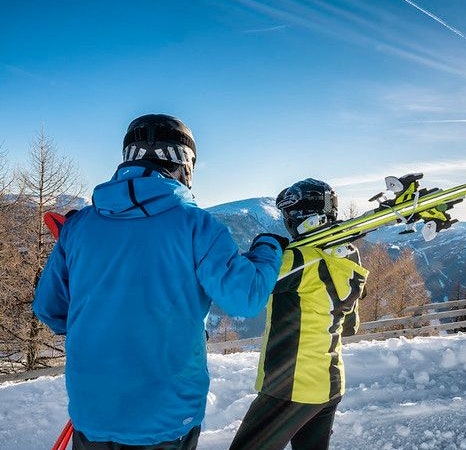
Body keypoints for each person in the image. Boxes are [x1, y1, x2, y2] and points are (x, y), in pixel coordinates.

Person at [33, 114, 285, 450]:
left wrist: (102, 330)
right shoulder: (197, 225)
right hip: (166, 413)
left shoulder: (79, 227)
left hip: (93, 409)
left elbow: (49, 309)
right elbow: (246, 297)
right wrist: (268, 248)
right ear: (184, 163)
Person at [229, 179, 369, 450]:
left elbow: (243, 282)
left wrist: (266, 244)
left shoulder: (299, 260)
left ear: (298, 217)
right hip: (330, 384)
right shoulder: (350, 258)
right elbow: (351, 325)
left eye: (287, 216)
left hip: (290, 387)